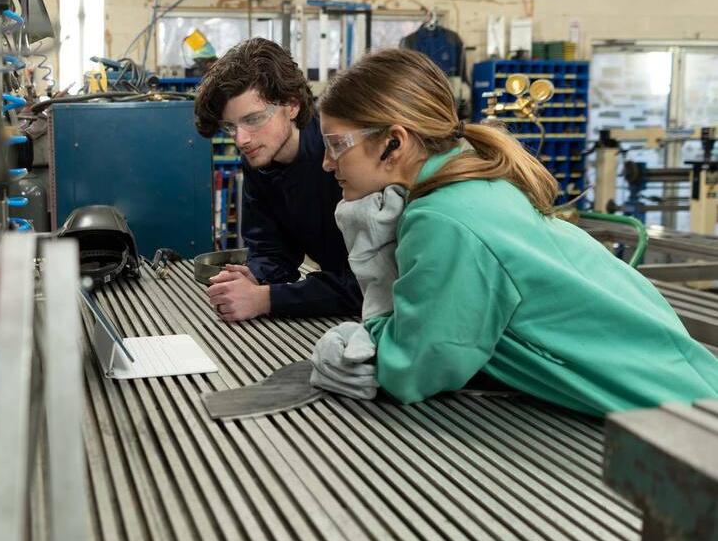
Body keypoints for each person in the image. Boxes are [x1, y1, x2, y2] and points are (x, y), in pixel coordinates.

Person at [311, 48, 718, 415]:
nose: (328, 164)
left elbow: (414, 370)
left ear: (393, 143)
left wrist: (365, 340)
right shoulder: (471, 182)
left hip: (680, 418)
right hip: (686, 382)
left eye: (336, 145)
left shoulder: (442, 219)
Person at [193, 38, 362, 322]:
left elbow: (373, 284)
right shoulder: (260, 161)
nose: (241, 140)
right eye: (230, 126)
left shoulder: (344, 156)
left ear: (292, 105)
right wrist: (254, 276)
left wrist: (267, 298)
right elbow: (272, 250)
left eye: (254, 119)